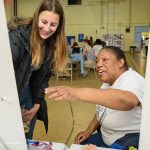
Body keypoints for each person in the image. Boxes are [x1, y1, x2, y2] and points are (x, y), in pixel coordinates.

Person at [45, 46, 144, 149]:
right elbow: (101, 111)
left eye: (105, 60)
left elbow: (127, 101)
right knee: (78, 146)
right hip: (106, 136)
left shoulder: (131, 78)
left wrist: (77, 93)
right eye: (97, 61)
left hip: (129, 138)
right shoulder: (107, 83)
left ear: (121, 62)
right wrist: (89, 130)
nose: (98, 64)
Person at [8, 0, 67, 139]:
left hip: (27, 93)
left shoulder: (52, 45)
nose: (47, 29)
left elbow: (44, 78)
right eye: (44, 22)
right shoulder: (17, 36)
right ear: (36, 18)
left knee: (25, 138)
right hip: (9, 95)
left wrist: (37, 104)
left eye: (53, 24)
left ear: (59, 26)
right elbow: (5, 75)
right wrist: (11, 109)